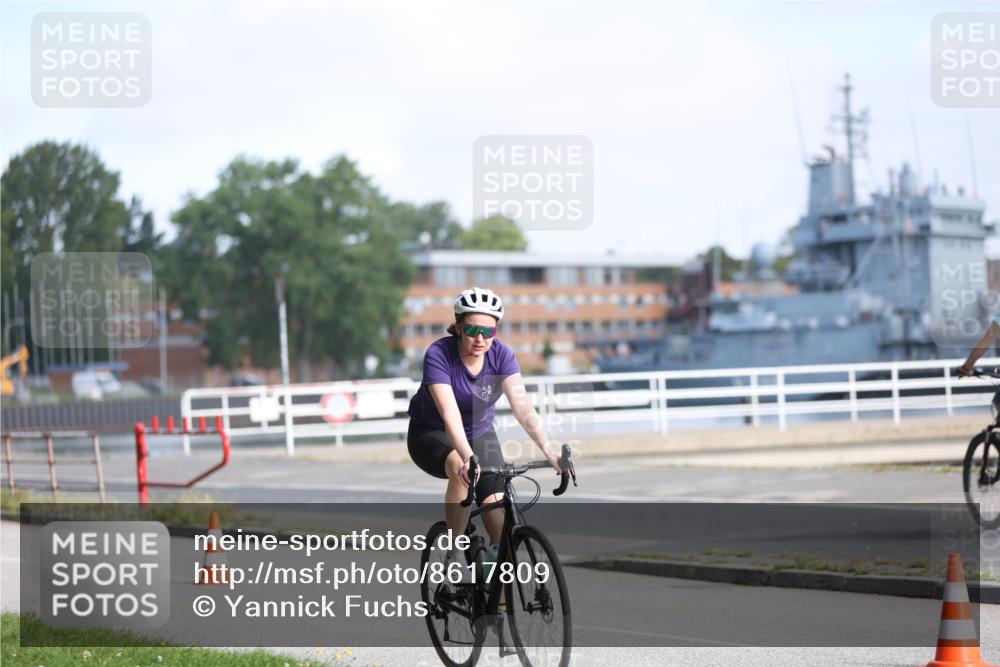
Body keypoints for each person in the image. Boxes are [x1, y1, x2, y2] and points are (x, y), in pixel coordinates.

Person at [407, 286, 562, 574]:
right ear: (458, 326)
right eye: (473, 330)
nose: (481, 339)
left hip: (480, 433)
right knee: (460, 467)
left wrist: (550, 451)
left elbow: (523, 408)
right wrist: (468, 458)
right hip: (431, 432)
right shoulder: (439, 353)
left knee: (499, 522)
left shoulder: (502, 356)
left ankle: (494, 606)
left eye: (488, 332)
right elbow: (450, 414)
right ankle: (454, 553)